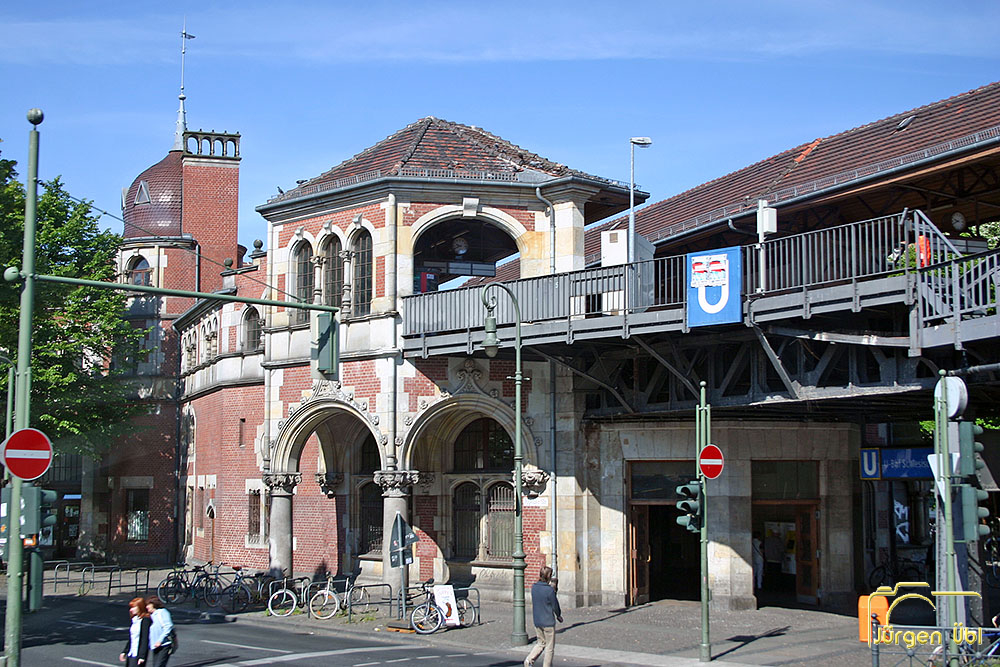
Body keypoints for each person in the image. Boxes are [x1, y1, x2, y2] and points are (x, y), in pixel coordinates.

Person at [525, 566, 562, 667]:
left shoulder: (534, 587)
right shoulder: (549, 590)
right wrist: (559, 615)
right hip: (548, 622)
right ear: (548, 577)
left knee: (540, 643)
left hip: (537, 621)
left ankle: (529, 660)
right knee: (549, 648)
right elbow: (555, 605)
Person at [120, 597, 150, 666]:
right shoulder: (135, 619)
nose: (131, 610)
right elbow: (131, 638)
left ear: (140, 607)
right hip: (131, 652)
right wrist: (125, 651)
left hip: (138, 653)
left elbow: (145, 639)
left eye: (133, 607)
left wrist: (142, 656)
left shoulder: (145, 620)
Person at [146, 596, 174, 666]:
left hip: (164, 644)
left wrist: (160, 640)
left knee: (158, 665)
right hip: (155, 645)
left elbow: (168, 626)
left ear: (154, 604)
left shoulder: (162, 612)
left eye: (148, 605)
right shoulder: (152, 615)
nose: (147, 607)